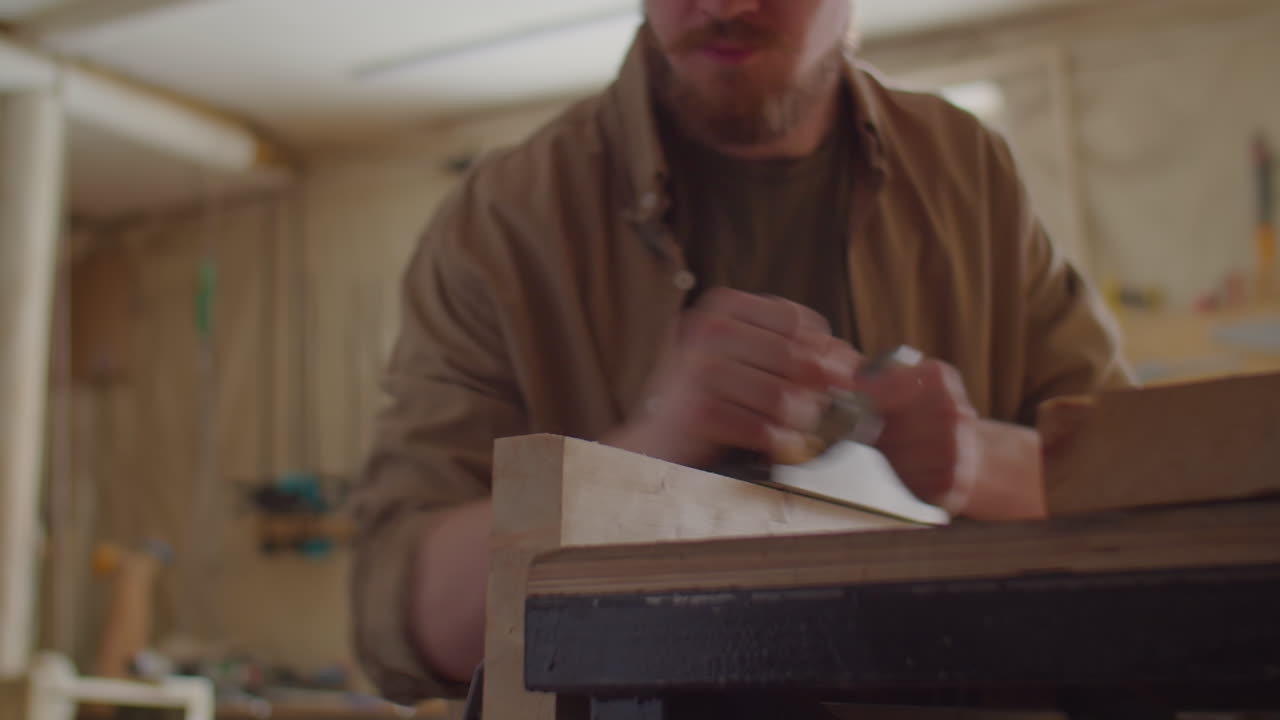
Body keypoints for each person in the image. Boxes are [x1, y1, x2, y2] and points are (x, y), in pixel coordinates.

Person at [348, 0, 1134, 704]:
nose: (725, 6)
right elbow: (400, 626)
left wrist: (973, 462)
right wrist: (645, 452)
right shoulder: (502, 220)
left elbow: (1145, 490)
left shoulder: (970, 172)